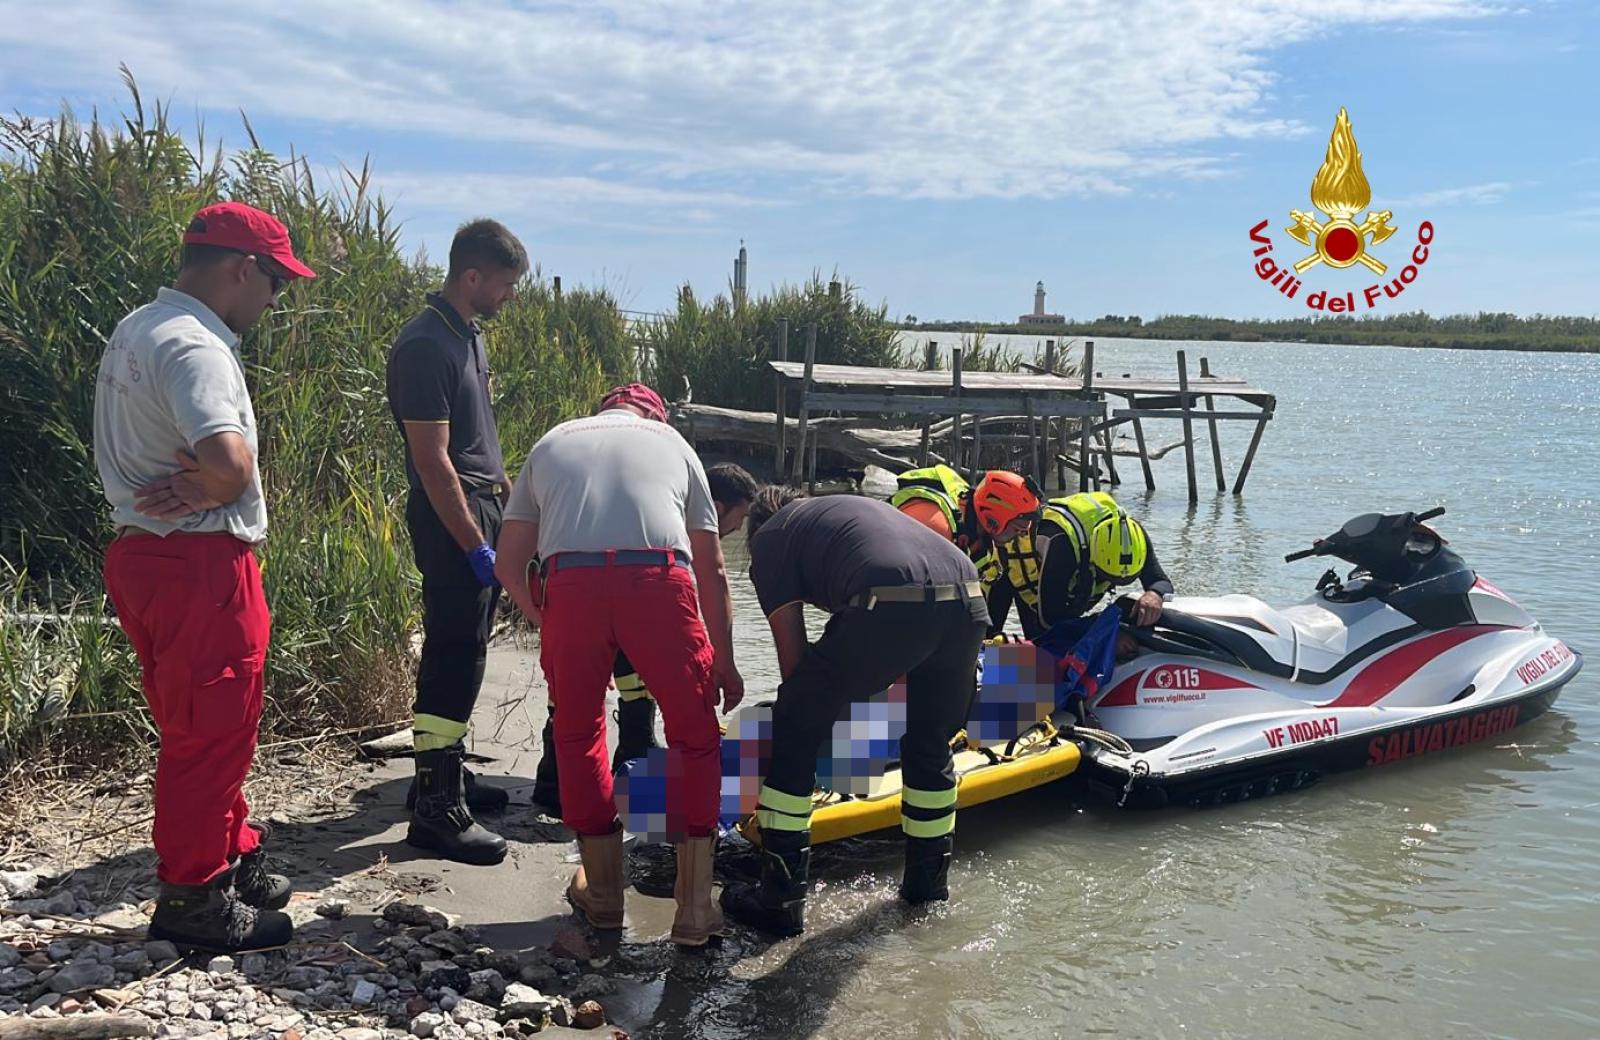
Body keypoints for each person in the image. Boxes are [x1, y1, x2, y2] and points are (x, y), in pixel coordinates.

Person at [95, 201, 316, 952]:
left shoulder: (136, 327)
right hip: (198, 560)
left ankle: (233, 851)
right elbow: (227, 461)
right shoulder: (196, 346)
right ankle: (193, 897)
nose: (274, 299)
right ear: (240, 269)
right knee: (212, 731)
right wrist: (216, 483)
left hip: (144, 553)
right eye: (275, 282)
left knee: (199, 723)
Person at [494, 383, 742, 948]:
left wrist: (546, 617)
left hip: (571, 582)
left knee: (578, 732)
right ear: (653, 415)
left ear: (602, 411)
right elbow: (714, 567)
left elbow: (509, 564)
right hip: (658, 579)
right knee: (695, 737)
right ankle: (695, 910)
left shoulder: (551, 442)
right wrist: (725, 661)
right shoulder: (674, 444)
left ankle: (604, 897)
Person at [721, 490, 990, 937]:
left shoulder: (772, 540)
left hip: (890, 596)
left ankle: (780, 901)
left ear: (758, 525)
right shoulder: (840, 513)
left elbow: (795, 667)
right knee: (928, 741)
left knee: (794, 724)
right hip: (968, 595)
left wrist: (819, 716)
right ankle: (926, 891)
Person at [385, 218, 528, 865]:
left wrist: (507, 497)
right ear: (471, 276)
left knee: (467, 650)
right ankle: (437, 810)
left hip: (481, 504)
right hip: (453, 516)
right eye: (504, 284)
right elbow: (435, 461)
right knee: (451, 652)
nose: (510, 297)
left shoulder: (466, 336)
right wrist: (474, 543)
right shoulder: (424, 346)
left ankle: (441, 777)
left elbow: (477, 439)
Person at [529, 462, 759, 817]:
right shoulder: (669, 522)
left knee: (623, 673)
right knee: (579, 690)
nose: (738, 529)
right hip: (600, 584)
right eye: (739, 518)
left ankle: (631, 753)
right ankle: (559, 780)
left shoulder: (662, 510)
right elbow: (710, 581)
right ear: (716, 506)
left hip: (584, 582)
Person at [988, 490, 1172, 640]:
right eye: (1105, 576)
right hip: (1012, 567)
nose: (1106, 582)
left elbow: (1160, 581)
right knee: (1029, 645)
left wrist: (1154, 594)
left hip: (1058, 570)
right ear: (1094, 556)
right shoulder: (1063, 547)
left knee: (1056, 654)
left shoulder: (1133, 538)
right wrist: (1107, 636)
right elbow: (1050, 619)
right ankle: (990, 680)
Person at [889, 465, 1044, 633]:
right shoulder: (935, 527)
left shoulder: (983, 539)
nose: (1021, 536)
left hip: (938, 626)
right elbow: (910, 601)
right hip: (896, 618)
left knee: (1033, 658)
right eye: (1018, 530)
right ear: (994, 518)